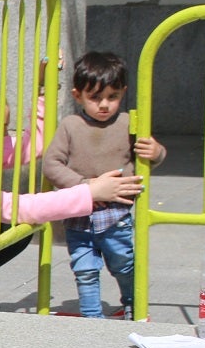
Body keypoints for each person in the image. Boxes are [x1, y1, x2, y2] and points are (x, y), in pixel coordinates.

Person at [0, 78, 143, 310]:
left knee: (14, 231)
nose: (7, 135)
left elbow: (34, 144)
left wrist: (44, 91)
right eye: (1, 129)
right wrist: (90, 192)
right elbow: (18, 207)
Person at [43, 51, 166, 320]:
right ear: (78, 96)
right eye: (95, 98)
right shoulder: (71, 125)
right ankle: (91, 318)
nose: (104, 105)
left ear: (123, 92)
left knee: (123, 263)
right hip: (79, 214)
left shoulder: (128, 123)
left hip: (117, 214)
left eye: (112, 97)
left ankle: (134, 306)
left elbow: (149, 157)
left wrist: (155, 152)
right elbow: (52, 164)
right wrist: (85, 187)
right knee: (84, 269)